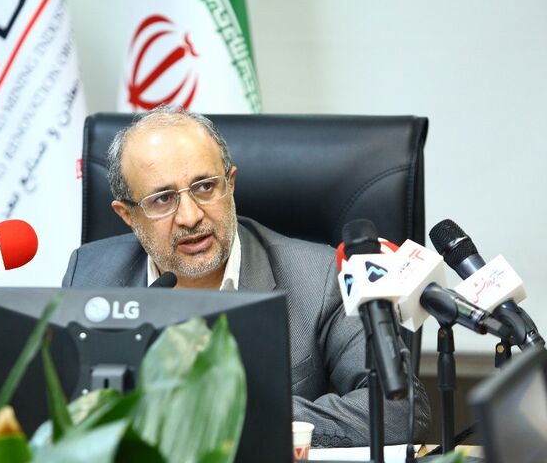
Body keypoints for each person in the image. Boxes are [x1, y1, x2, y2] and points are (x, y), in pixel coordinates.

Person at [62, 106, 431, 447]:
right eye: (162, 199)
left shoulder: (318, 278)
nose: (190, 217)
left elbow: (400, 410)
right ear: (127, 215)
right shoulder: (91, 277)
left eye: (205, 187)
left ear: (231, 184)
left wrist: (235, 416)